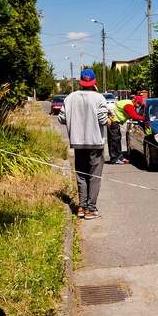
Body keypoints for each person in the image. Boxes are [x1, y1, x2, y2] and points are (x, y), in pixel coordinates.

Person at [58, 69, 109, 220]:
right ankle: (90, 209)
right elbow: (103, 120)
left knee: (81, 175)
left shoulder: (70, 98)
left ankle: (81, 207)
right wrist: (110, 120)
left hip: (78, 142)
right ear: (94, 82)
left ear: (80, 82)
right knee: (94, 176)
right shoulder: (99, 98)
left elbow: (61, 118)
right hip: (95, 143)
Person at [107, 95, 145, 164]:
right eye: (138, 103)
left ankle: (119, 157)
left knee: (117, 140)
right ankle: (115, 159)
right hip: (113, 121)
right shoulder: (129, 105)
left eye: (140, 104)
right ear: (134, 100)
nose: (138, 105)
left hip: (114, 121)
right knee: (114, 141)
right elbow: (134, 116)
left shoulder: (129, 104)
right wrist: (144, 119)